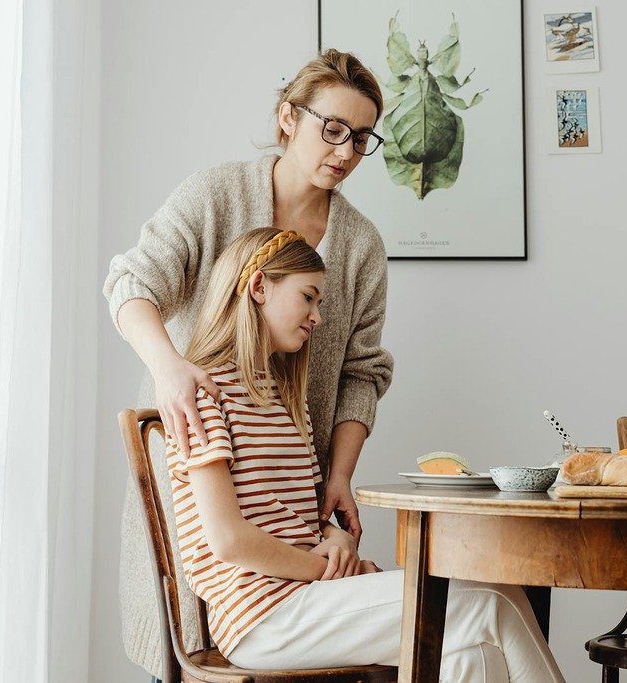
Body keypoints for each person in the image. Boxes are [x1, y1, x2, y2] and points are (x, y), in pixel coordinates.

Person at [103, 50, 393, 678]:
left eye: (362, 138)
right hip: (203, 457)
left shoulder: (361, 244)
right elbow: (130, 282)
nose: (345, 151)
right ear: (289, 117)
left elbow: (361, 374)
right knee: (188, 640)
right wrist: (169, 367)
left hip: (290, 480)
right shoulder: (216, 196)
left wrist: (339, 476)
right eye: (333, 129)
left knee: (300, 631)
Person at [170, 227, 564, 681]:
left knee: (468, 653)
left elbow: (294, 516)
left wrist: (334, 539)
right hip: (261, 616)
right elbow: (228, 540)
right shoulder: (205, 397)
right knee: (490, 601)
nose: (317, 316)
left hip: (302, 595)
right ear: (260, 287)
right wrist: (324, 568)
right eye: (309, 297)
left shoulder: (280, 399)